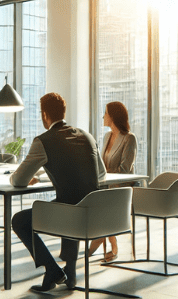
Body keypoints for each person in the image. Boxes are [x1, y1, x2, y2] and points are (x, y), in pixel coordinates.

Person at [10, 93, 106, 293]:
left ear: (44, 115)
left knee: (19, 220)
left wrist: (23, 178)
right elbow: (102, 174)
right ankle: (70, 274)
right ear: (63, 112)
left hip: (70, 215)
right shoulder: (87, 136)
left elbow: (18, 181)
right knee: (70, 199)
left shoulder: (43, 141)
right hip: (95, 213)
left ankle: (52, 270)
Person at [86, 101, 137, 263]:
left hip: (119, 189)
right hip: (105, 186)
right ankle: (110, 243)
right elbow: (101, 164)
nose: (103, 116)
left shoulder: (129, 138)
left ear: (113, 116)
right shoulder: (107, 136)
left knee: (102, 208)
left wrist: (105, 177)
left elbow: (125, 170)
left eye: (105, 113)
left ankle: (94, 249)